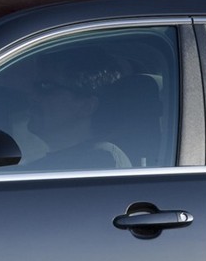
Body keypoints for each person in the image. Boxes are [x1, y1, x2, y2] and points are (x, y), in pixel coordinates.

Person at [18, 45, 132, 173]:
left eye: (46, 87)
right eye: (34, 87)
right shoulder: (60, 164)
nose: (32, 96)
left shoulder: (100, 162)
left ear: (87, 106)